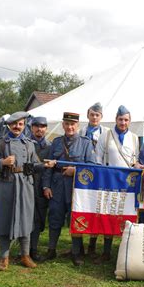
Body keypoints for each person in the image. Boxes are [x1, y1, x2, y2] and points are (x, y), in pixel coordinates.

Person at [0, 111, 54, 271]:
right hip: (6, 186)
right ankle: (4, 257)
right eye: (14, 124)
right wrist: (1, 162)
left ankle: (25, 255)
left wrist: (44, 165)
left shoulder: (29, 144)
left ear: (24, 126)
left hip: (25, 186)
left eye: (21, 124)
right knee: (5, 219)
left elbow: (32, 166)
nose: (17, 127)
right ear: (9, 125)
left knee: (26, 219)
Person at [42, 112, 96, 266]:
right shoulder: (56, 143)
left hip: (76, 187)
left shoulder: (86, 143)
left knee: (76, 219)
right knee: (54, 217)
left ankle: (76, 252)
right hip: (57, 185)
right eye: (67, 124)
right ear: (63, 125)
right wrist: (46, 186)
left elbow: (92, 167)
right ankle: (51, 250)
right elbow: (48, 166)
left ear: (77, 126)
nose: (70, 127)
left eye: (73, 124)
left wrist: (76, 170)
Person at [95, 105, 143, 264]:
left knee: (126, 214)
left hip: (127, 184)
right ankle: (106, 251)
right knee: (108, 213)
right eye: (120, 119)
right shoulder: (106, 136)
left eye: (126, 120)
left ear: (130, 121)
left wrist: (138, 166)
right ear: (116, 119)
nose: (123, 122)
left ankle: (125, 249)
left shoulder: (135, 138)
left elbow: (134, 159)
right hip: (109, 181)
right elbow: (98, 158)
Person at [79, 102, 110, 258]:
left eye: (97, 115)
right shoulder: (81, 131)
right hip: (85, 175)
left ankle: (95, 243)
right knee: (87, 207)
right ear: (88, 115)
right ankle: (85, 244)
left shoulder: (107, 132)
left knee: (100, 208)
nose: (95, 117)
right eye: (92, 114)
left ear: (101, 116)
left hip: (100, 174)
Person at [29, 116, 52, 261]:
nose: (39, 129)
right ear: (32, 128)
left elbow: (49, 170)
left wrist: (46, 186)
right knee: (26, 217)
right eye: (36, 126)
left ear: (46, 128)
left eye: (42, 126)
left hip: (41, 186)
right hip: (26, 184)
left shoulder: (50, 147)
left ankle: (34, 248)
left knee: (39, 219)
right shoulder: (25, 143)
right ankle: (26, 249)